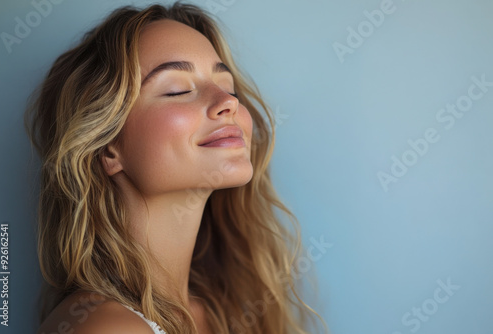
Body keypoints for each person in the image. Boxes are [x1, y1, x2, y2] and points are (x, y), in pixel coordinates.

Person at [25, 2, 326, 333]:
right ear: (108, 148)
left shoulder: (222, 310)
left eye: (228, 87)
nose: (229, 102)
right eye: (177, 89)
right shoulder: (105, 327)